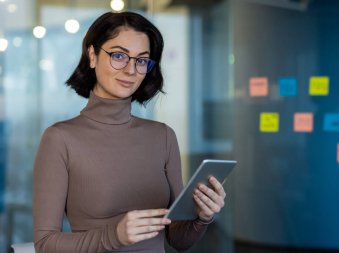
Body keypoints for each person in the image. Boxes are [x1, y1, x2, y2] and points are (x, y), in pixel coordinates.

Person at [33, 11, 227, 253]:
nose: (130, 69)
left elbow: (178, 240)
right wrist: (114, 236)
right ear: (92, 55)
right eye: (118, 56)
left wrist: (201, 217)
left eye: (141, 60)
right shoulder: (60, 139)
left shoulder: (163, 136)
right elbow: (45, 244)